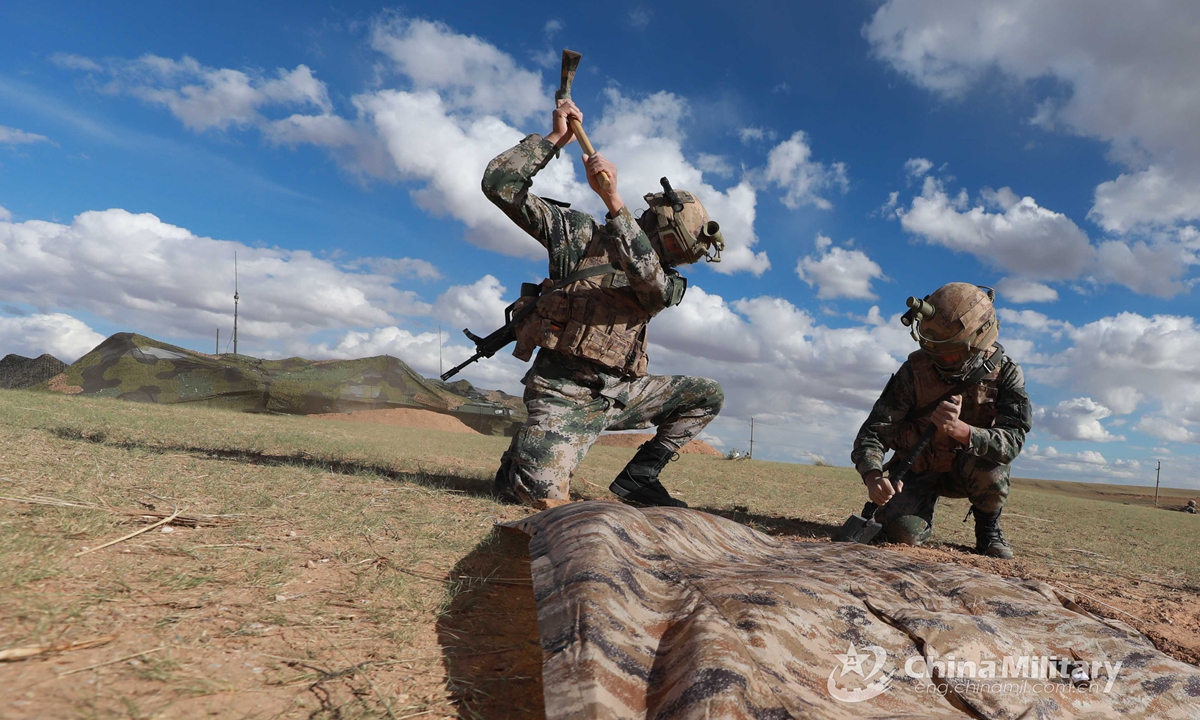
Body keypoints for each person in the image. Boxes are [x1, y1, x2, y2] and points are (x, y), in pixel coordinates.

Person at [481, 99, 725, 509]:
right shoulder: (577, 235)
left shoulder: (665, 280)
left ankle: (640, 477)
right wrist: (555, 138)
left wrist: (614, 200)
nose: (680, 261)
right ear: (660, 228)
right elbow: (499, 185)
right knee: (540, 498)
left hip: (619, 394)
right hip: (562, 393)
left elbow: (647, 279)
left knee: (706, 394)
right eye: (678, 250)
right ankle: (526, 460)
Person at [850, 283, 1032, 558]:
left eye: (950, 354)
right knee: (902, 533)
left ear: (979, 341)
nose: (941, 361)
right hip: (918, 469)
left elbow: (1013, 441)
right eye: (934, 351)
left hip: (967, 471)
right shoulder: (914, 371)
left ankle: (988, 530)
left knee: (993, 467)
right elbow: (874, 433)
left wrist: (963, 431)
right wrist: (874, 476)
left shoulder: (1006, 373)